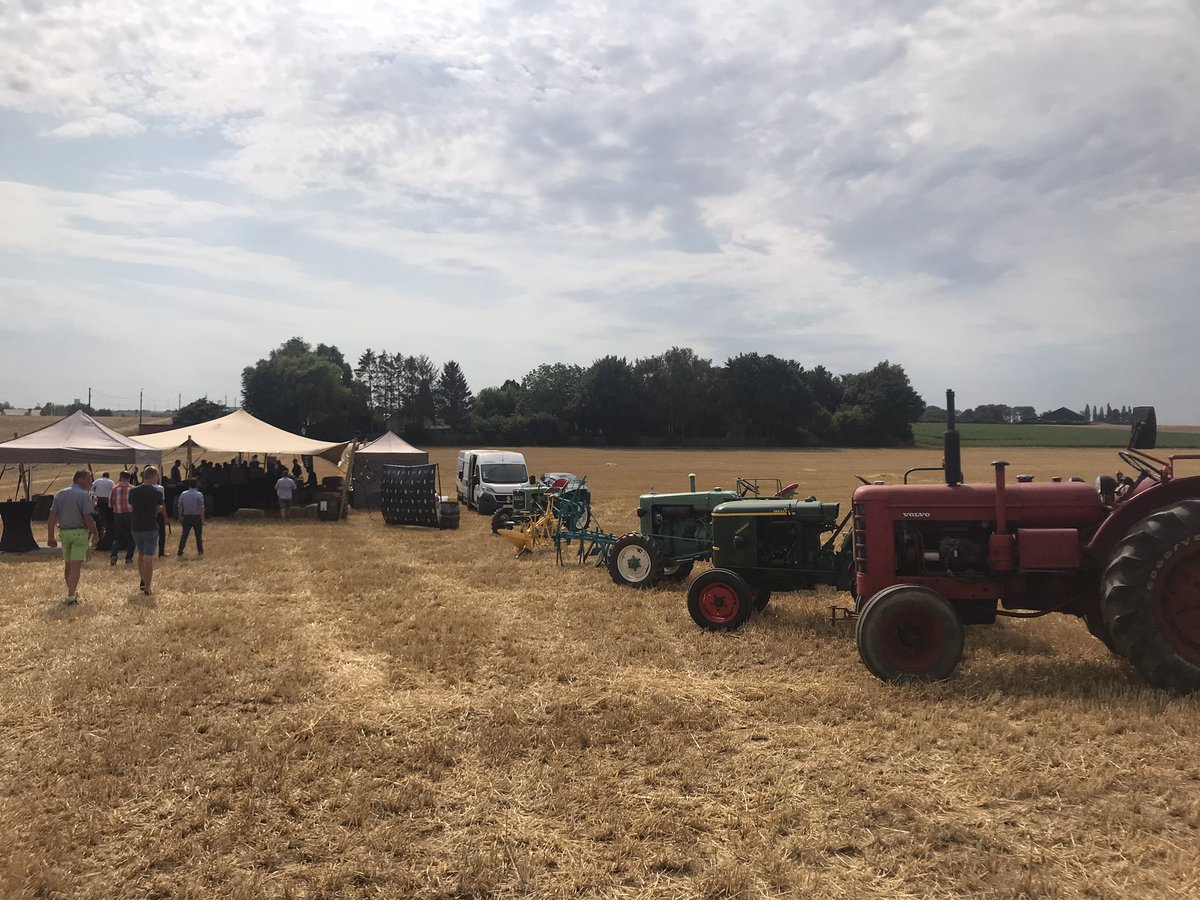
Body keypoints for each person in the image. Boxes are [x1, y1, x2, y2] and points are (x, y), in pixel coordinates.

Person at [46, 470, 100, 604]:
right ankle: (71, 596)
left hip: (65, 533)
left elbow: (52, 516)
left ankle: (71, 590)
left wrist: (50, 535)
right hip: (80, 533)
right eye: (88, 479)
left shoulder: (60, 494)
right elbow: (87, 517)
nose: (91, 482)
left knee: (68, 565)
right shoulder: (83, 495)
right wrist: (95, 533)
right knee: (76, 566)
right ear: (80, 479)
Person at [130, 465, 165, 596]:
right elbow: (159, 508)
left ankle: (143, 579)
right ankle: (147, 587)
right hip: (150, 526)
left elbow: (132, 506)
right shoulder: (157, 492)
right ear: (154, 476)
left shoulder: (133, 491)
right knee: (148, 558)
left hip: (136, 527)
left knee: (141, 553)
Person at [108, 471, 135, 567]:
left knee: (118, 538)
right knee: (131, 538)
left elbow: (110, 504)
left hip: (118, 515)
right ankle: (128, 558)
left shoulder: (114, 488)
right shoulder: (133, 489)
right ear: (129, 478)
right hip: (130, 515)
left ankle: (114, 555)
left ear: (120, 477)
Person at [177, 478, 205, 557]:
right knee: (198, 535)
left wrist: (180, 516)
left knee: (184, 535)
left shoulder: (183, 494)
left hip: (186, 516)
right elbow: (201, 507)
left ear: (189, 485)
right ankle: (200, 551)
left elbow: (180, 506)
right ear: (197, 485)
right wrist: (202, 519)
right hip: (196, 516)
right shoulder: (199, 494)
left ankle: (180, 550)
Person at [91, 471, 115, 542]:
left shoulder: (97, 481)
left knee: (98, 517)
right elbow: (113, 491)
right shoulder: (111, 482)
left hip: (97, 499)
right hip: (106, 501)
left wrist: (94, 495)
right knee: (107, 518)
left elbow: (91, 488)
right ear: (108, 476)